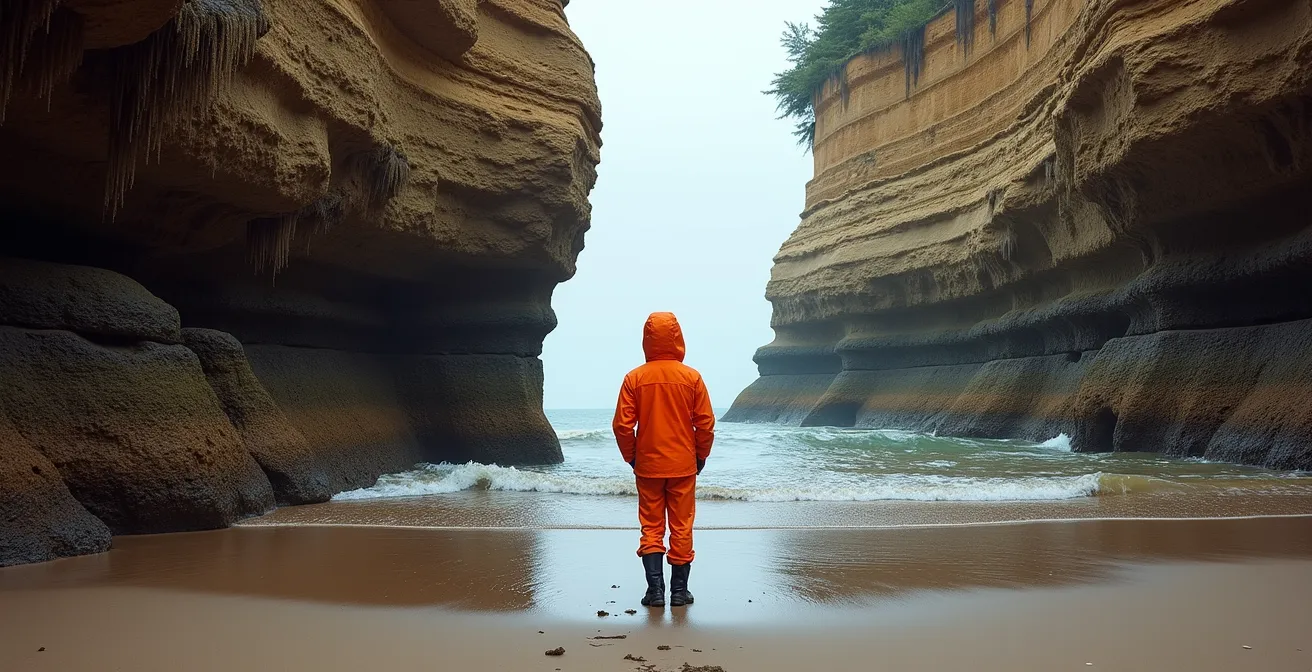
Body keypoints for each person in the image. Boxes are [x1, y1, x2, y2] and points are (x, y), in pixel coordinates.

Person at [612, 312, 715, 608]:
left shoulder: (634, 378)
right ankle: (680, 593)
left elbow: (622, 425)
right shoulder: (691, 377)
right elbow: (705, 423)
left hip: (648, 466)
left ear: (647, 339)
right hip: (683, 465)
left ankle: (655, 592)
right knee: (682, 526)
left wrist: (632, 457)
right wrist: (700, 455)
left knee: (651, 526)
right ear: (677, 337)